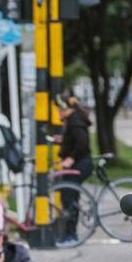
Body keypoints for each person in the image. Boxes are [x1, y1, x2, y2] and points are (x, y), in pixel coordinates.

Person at [55, 94, 94, 246]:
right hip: (79, 164)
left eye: (59, 109)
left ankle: (71, 236)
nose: (58, 112)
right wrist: (62, 140)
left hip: (79, 164)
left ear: (66, 109)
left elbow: (82, 143)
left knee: (69, 198)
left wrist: (71, 158)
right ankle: (68, 234)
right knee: (70, 197)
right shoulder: (73, 119)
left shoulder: (75, 121)